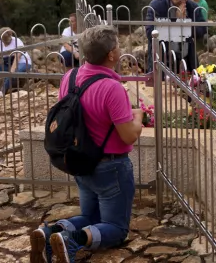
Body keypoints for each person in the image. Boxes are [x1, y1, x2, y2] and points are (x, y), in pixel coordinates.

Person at [29, 25, 144, 263]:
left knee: (90, 216)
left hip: (80, 161)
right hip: (111, 167)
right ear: (111, 54)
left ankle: (49, 232)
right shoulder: (111, 88)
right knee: (116, 228)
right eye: (118, 47)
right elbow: (129, 136)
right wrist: (139, 117)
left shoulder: (69, 78)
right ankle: (74, 241)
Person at [145, 0, 208, 74]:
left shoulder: (192, 7)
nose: (183, 2)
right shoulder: (156, 6)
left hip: (186, 58)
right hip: (162, 57)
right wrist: (176, 22)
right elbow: (150, 33)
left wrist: (185, 23)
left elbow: (202, 29)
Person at [0, 27, 31, 96]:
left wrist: (12, 70)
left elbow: (17, 57)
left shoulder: (17, 41)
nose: (5, 41)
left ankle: (2, 91)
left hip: (22, 62)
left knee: (12, 73)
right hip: (8, 63)